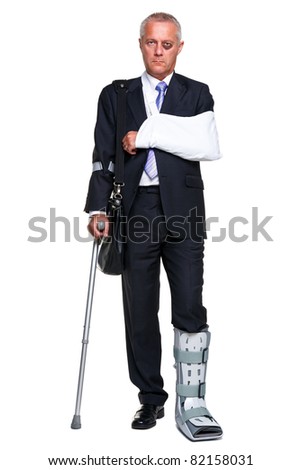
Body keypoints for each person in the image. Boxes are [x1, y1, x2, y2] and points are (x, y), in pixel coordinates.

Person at [85, 12, 223, 441]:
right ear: (140, 44)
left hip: (183, 209)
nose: (159, 51)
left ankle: (192, 401)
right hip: (136, 208)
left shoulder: (196, 93)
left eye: (167, 44)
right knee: (140, 307)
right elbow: (103, 153)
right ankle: (151, 396)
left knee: (188, 304)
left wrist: (145, 136)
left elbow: (205, 144)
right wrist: (97, 210)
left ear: (179, 47)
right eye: (151, 43)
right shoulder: (117, 95)